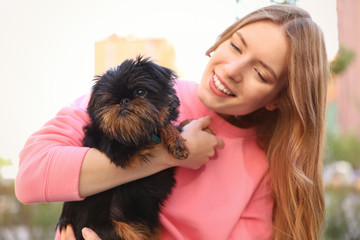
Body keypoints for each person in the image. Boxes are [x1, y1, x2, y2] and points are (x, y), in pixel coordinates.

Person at [15, 4, 329, 240]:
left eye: (261, 73)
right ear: (220, 41)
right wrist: (168, 154)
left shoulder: (266, 168)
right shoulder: (143, 90)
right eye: (235, 45)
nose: (233, 69)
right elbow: (30, 176)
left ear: (278, 98)